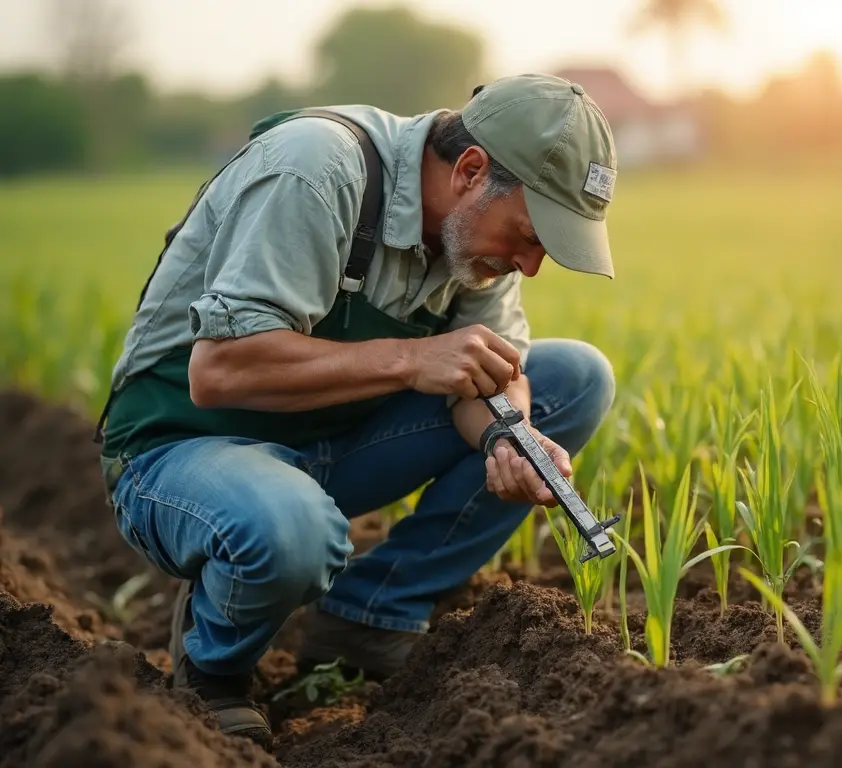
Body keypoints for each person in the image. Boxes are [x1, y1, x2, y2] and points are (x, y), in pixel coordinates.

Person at [93, 73, 620, 748]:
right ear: (470, 169)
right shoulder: (316, 169)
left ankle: (369, 615)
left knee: (572, 378)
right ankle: (212, 670)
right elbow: (220, 370)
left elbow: (493, 379)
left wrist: (507, 438)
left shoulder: (473, 247)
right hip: (182, 449)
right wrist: (410, 358)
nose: (530, 264)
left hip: (329, 441)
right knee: (289, 527)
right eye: (528, 233)